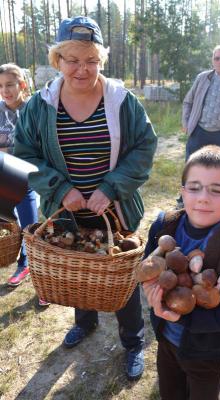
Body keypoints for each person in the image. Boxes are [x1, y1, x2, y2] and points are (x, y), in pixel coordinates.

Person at [14, 16, 157, 380]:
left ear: (101, 61)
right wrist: (61, 189)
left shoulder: (122, 102)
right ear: (58, 60)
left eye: (91, 59)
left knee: (119, 275)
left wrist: (110, 188)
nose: (83, 69)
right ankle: (86, 321)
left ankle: (132, 341)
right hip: (65, 210)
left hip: (115, 208)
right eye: (73, 59)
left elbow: (144, 148)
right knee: (79, 272)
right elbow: (24, 155)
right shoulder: (39, 106)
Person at [142, 145, 220, 400]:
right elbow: (147, 268)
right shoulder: (164, 226)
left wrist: (184, 319)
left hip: (208, 349)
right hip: (165, 338)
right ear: (182, 192)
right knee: (170, 391)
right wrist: (151, 290)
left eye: (217, 190)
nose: (203, 197)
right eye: (194, 187)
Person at [0, 64, 48, 304]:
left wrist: (8, 150)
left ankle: (30, 265)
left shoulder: (33, 109)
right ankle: (18, 256)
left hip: (27, 178)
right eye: (0, 86)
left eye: (9, 84)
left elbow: (35, 146)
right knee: (9, 225)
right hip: (3, 176)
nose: (4, 91)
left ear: (21, 85)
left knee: (31, 228)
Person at [182, 45, 220, 161]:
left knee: (216, 169)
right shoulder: (202, 78)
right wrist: (186, 123)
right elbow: (188, 102)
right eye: (217, 58)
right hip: (198, 131)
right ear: (213, 61)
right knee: (192, 166)